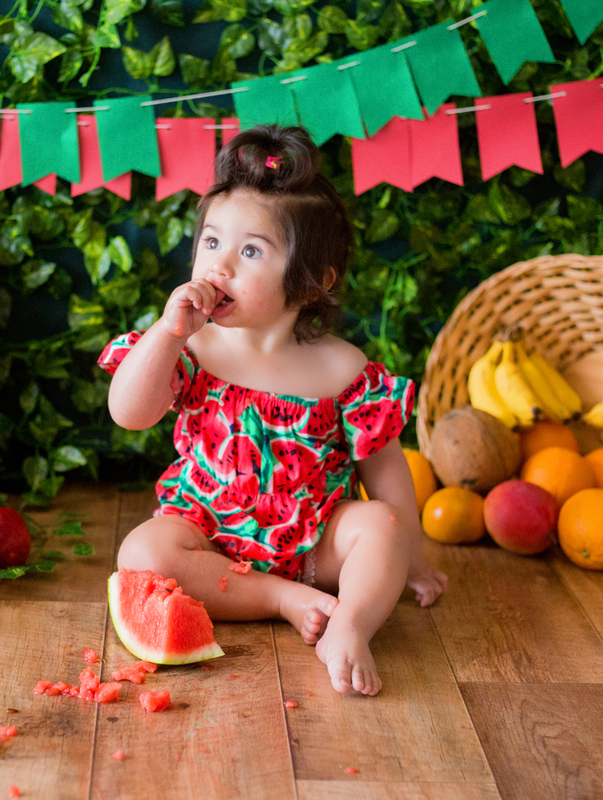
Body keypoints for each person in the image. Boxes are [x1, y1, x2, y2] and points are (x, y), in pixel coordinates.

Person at [99, 124, 447, 696]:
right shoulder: (191, 347)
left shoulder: (343, 370)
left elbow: (386, 476)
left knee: (380, 528)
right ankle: (282, 600)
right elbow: (129, 413)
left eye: (251, 250)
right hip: (206, 536)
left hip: (315, 544)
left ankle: (350, 625)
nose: (220, 265)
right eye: (211, 242)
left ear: (313, 282)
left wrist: (410, 557)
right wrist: (165, 333)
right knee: (142, 551)